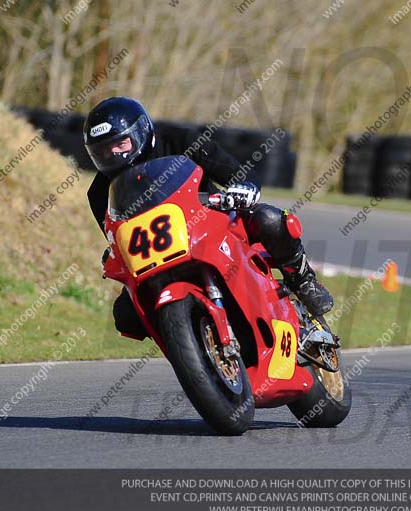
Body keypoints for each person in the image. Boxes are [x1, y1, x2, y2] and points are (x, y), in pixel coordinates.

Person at [84, 97, 333, 338]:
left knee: (269, 219)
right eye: (103, 151)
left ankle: (303, 280)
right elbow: (116, 237)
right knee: (126, 316)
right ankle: (188, 337)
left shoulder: (179, 139)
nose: (114, 154)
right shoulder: (99, 193)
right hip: (159, 257)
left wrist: (242, 187)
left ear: (139, 133)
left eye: (120, 144)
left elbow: (236, 172)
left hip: (214, 222)